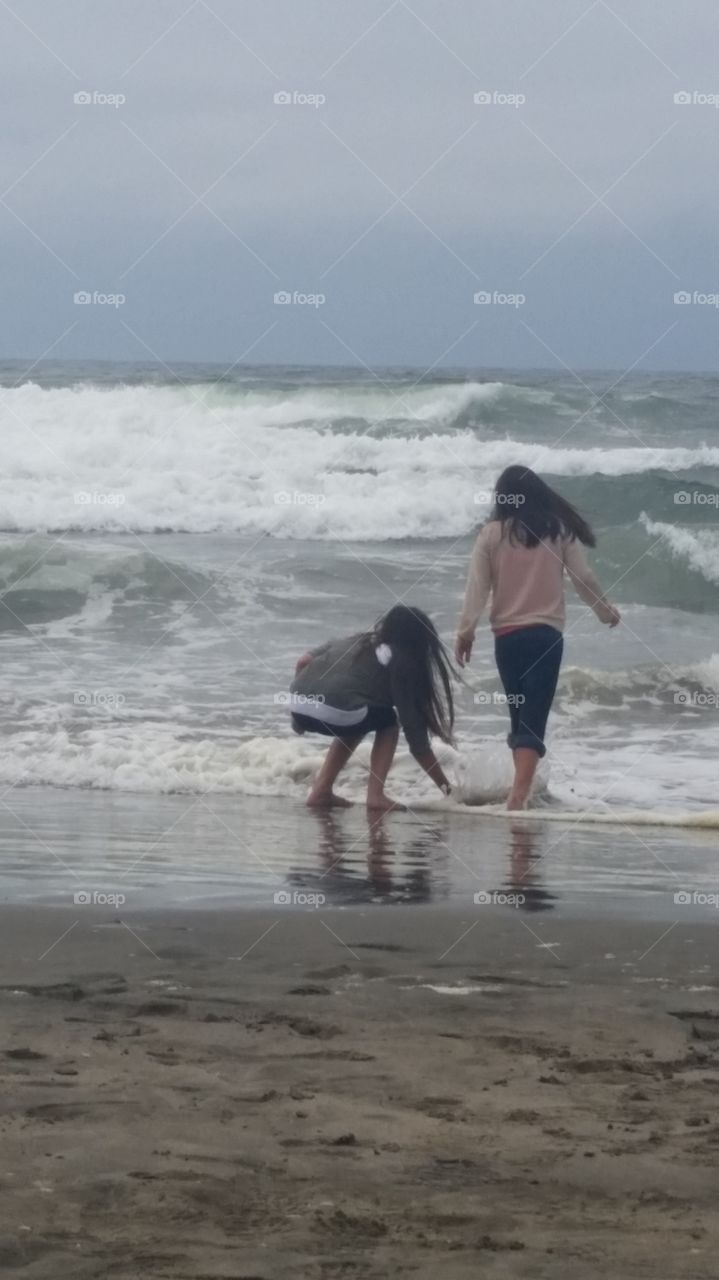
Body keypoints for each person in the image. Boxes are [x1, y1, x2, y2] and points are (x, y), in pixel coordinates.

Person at [455, 466, 620, 810]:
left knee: (519, 718)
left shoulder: (490, 535)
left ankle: (521, 794)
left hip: (507, 640)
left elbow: (477, 588)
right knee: (532, 718)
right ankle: (518, 799)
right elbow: (584, 577)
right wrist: (606, 612)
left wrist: (465, 633)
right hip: (544, 638)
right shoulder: (558, 532)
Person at [288, 605, 455, 811]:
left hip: (297, 703)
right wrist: (449, 791)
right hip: (338, 711)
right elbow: (417, 743)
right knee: (388, 722)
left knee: (356, 715)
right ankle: (375, 796)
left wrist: (296, 720)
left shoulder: (353, 640)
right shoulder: (402, 662)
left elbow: (303, 661)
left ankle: (321, 791)